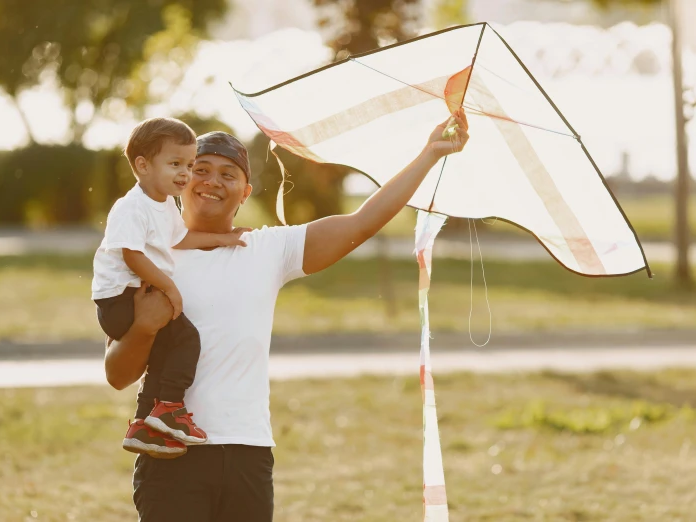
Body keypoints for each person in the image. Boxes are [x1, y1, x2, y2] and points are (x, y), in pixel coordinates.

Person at [104, 110, 470, 521]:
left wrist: (430, 153)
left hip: (248, 451)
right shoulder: (146, 256)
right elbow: (117, 375)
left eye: (228, 174)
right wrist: (145, 326)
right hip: (168, 455)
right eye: (199, 169)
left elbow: (363, 222)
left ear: (246, 192)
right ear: (181, 180)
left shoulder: (267, 249)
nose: (211, 181)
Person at [92, 118, 250, 458]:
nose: (185, 173)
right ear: (143, 165)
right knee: (186, 339)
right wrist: (169, 288)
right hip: (120, 300)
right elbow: (132, 255)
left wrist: (224, 238)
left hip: (133, 294)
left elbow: (181, 238)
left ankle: (143, 426)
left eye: (189, 165)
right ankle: (169, 409)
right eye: (176, 164)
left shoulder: (163, 205)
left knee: (166, 352)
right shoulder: (132, 206)